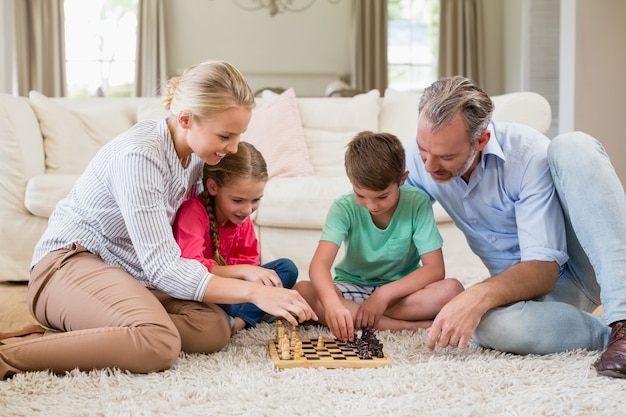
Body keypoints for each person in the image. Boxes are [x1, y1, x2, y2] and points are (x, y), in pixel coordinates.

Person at [0, 60, 316, 380]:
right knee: (159, 343)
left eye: (238, 135)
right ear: (185, 119)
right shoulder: (140, 155)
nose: (233, 148)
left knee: (213, 328)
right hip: (67, 265)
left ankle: (86, 339)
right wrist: (253, 293)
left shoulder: (195, 158)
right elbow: (163, 266)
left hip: (128, 274)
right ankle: (8, 356)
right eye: (225, 135)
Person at [405, 75, 626, 378]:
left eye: (446, 157)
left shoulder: (526, 154)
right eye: (422, 151)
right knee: (483, 325)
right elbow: (391, 226)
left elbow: (542, 272)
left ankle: (623, 321)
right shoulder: (425, 158)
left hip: (571, 268)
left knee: (574, 145)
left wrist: (475, 295)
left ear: (481, 140)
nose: (429, 167)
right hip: (521, 292)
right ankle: (604, 334)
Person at [295, 131, 464, 341]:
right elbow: (319, 264)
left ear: (402, 179)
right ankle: (402, 326)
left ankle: (367, 317)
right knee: (303, 291)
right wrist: (332, 306)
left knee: (452, 290)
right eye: (361, 195)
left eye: (382, 196)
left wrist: (382, 296)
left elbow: (435, 269)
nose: (372, 205)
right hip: (352, 287)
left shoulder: (417, 203)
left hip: (400, 293)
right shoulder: (343, 207)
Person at [173, 141, 298, 334]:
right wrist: (244, 272)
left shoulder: (241, 218)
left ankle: (240, 319)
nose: (248, 210)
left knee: (286, 268)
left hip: (238, 292)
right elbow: (191, 268)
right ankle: (250, 316)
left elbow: (250, 262)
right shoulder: (194, 212)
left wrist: (250, 275)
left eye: (256, 200)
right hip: (207, 292)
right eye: (238, 200)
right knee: (215, 307)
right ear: (213, 187)